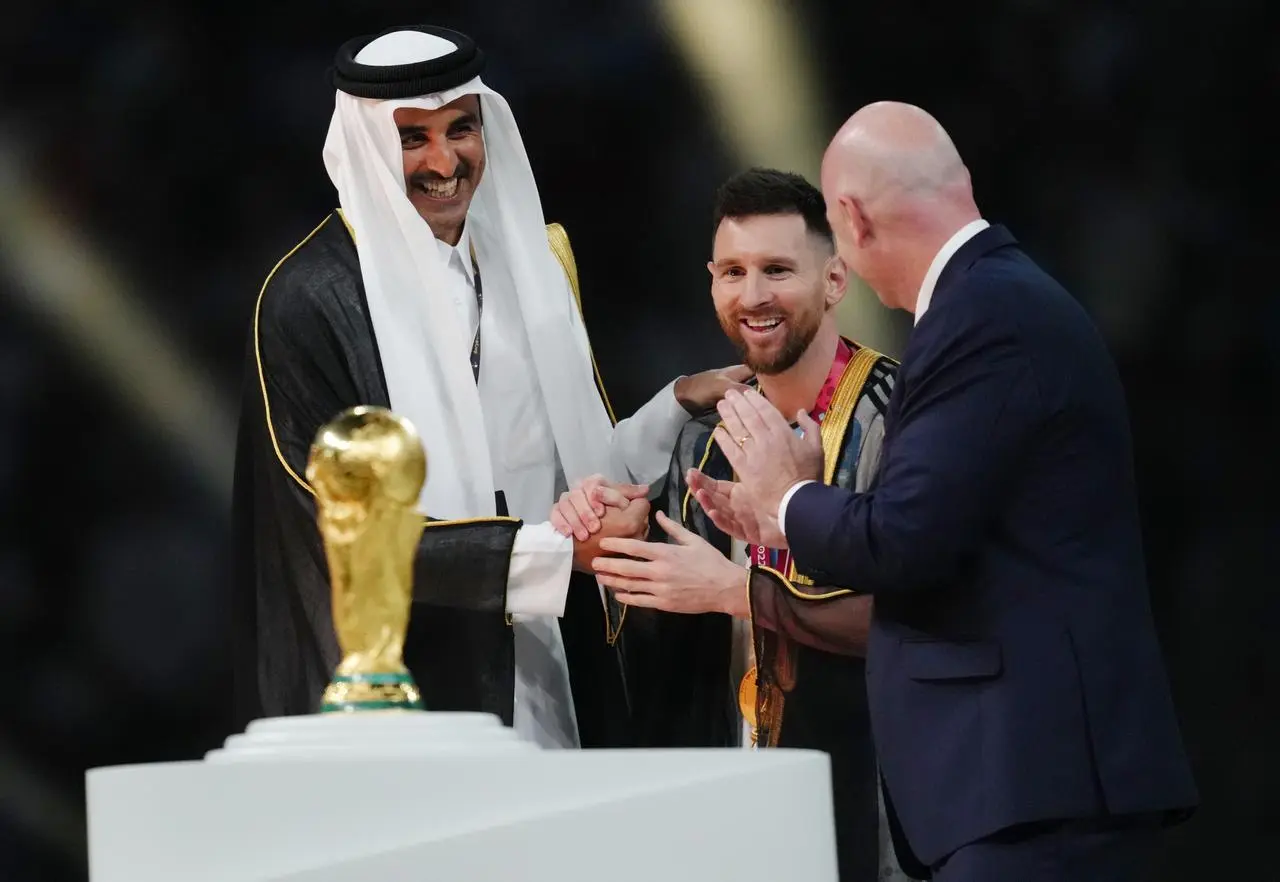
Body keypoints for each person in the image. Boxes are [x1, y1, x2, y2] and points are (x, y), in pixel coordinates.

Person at [689, 101, 1199, 881]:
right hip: (1029, 789)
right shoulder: (1001, 299)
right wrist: (780, 517)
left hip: (1031, 789)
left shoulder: (979, 318)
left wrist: (789, 499)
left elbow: (905, 540)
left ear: (850, 223)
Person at [231, 23, 745, 751]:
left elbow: (570, 466)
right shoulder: (310, 301)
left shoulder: (531, 264)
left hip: (556, 657)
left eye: (461, 129)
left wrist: (672, 408)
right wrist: (556, 555)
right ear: (370, 149)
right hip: (414, 690)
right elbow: (339, 534)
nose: (446, 161)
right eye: (413, 138)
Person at [553, 168, 909, 882]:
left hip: (880, 808)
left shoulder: (898, 418)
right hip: (728, 812)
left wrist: (741, 581)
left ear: (835, 281)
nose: (753, 296)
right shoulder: (699, 441)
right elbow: (667, 643)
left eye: (778, 270)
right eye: (734, 272)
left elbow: (920, 614)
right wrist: (615, 542)